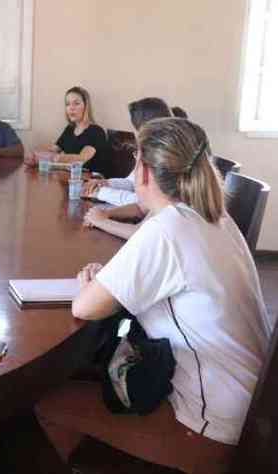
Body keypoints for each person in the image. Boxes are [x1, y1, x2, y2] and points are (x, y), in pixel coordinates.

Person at [35, 118, 274, 474]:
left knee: (46, 404)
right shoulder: (215, 218)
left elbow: (84, 307)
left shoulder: (166, 229)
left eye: (134, 163)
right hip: (248, 412)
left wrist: (91, 282)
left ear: (145, 172)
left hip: (208, 432)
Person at [82, 98, 188, 240]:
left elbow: (140, 232)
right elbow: (142, 205)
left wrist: (102, 219)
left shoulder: (164, 162)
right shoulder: (159, 155)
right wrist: (106, 206)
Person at [26, 86, 112, 176]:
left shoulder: (96, 131)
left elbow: (82, 159)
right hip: (71, 179)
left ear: (86, 106)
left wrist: (54, 158)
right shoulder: (70, 129)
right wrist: (34, 154)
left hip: (92, 183)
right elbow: (53, 149)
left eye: (76, 103)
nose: (71, 108)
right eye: (68, 104)